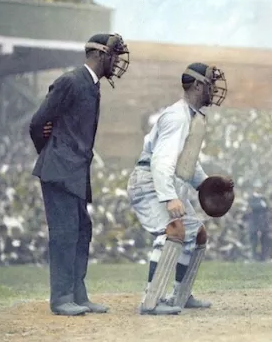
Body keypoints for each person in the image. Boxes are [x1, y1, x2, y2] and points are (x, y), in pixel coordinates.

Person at [29, 33, 130, 316]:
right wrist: (52, 153)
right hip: (61, 170)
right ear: (98, 55)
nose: (117, 61)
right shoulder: (70, 81)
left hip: (75, 172)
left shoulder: (92, 85)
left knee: (82, 231)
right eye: (113, 55)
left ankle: (78, 295)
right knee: (64, 234)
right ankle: (61, 298)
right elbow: (38, 122)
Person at [126, 62, 232, 315]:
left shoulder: (192, 116)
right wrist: (168, 197)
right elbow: (162, 159)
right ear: (196, 85)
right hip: (149, 182)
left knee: (197, 234)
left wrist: (207, 185)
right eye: (210, 84)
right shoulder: (177, 117)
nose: (214, 89)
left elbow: (187, 163)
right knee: (173, 230)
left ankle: (180, 295)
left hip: (166, 180)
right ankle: (151, 302)